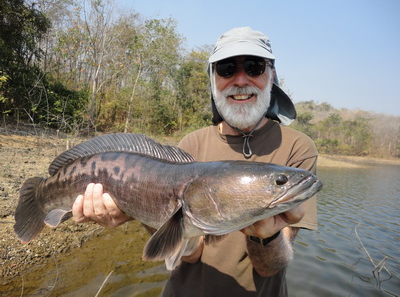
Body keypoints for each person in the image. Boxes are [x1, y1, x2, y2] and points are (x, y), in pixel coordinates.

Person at [72, 27, 318, 297]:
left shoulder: (297, 149)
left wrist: (266, 235)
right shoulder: (190, 146)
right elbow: (192, 253)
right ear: (214, 79)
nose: (240, 79)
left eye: (254, 67)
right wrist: (140, 208)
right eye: (226, 69)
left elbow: (270, 268)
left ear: (271, 76)